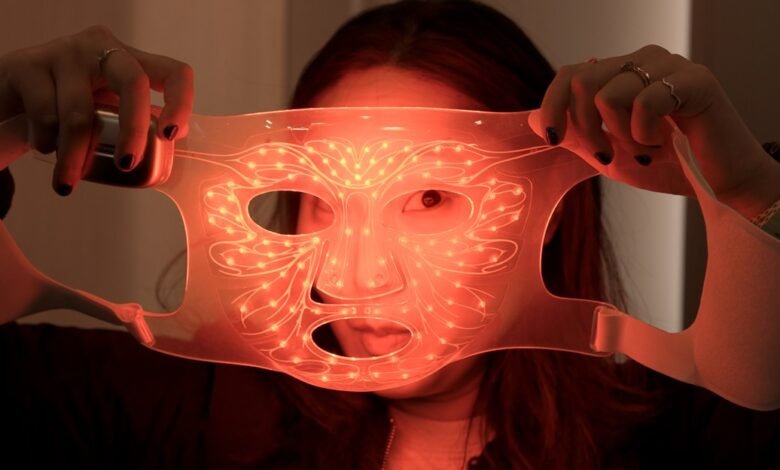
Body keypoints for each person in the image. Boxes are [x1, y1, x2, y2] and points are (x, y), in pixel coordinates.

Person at [1, 1, 779, 468]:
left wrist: (749, 194)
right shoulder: (178, 409)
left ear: (548, 210)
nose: (356, 276)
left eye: (431, 197)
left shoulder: (675, 439)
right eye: (318, 199)